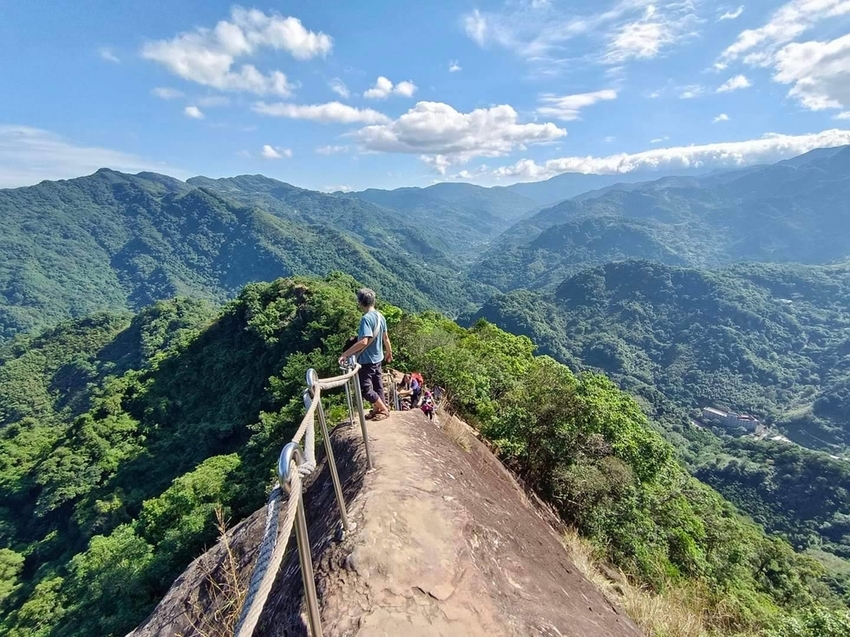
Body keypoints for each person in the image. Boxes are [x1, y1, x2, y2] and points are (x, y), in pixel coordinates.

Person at [339, 288, 393, 421]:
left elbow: (364, 341)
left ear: (361, 303)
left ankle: (384, 410)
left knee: (366, 389)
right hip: (378, 358)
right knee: (377, 385)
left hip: (367, 360)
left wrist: (344, 354)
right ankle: (377, 409)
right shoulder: (381, 316)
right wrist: (389, 352)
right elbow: (385, 338)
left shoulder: (366, 319)